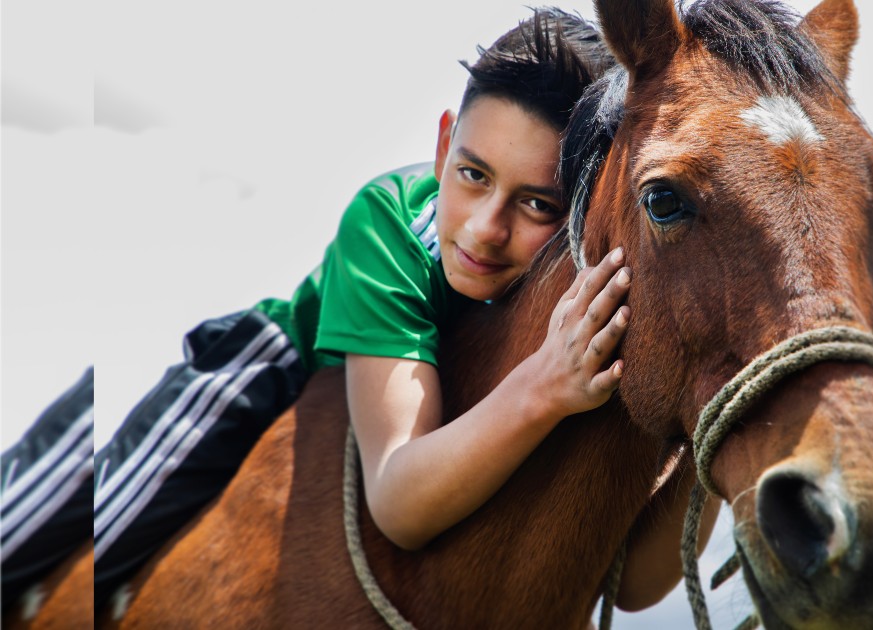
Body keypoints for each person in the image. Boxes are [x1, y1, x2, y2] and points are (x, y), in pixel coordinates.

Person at [2, 6, 719, 616]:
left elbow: (632, 587)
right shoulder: (386, 222)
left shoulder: (591, 295)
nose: (482, 231)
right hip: (267, 368)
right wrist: (544, 386)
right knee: (96, 517)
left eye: (537, 204)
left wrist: (715, 422)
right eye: (472, 175)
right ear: (443, 145)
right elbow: (400, 498)